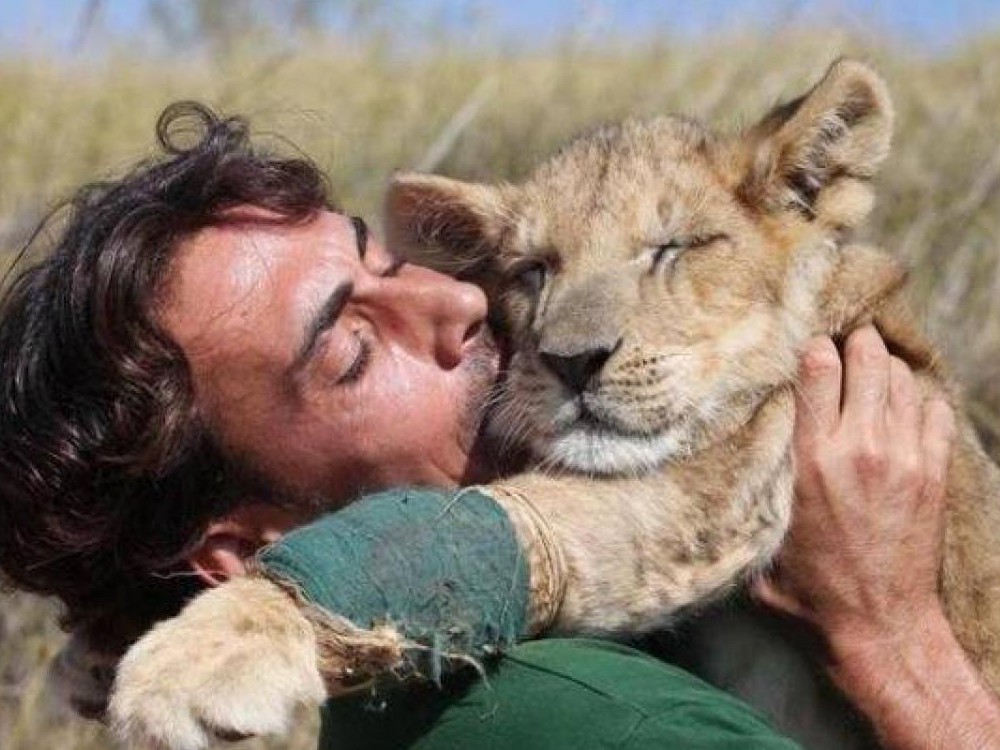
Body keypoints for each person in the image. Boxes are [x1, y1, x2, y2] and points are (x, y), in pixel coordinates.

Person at [0, 102, 995, 750]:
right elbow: (603, 532)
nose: (471, 305)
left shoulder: (817, 355)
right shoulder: (559, 715)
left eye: (396, 268)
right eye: (352, 350)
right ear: (246, 548)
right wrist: (898, 647)